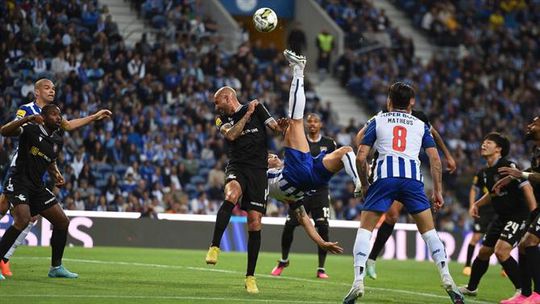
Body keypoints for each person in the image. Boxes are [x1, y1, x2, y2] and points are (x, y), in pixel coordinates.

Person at [343, 82, 464, 304]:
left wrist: (364, 184)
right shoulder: (420, 124)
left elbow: (360, 156)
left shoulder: (378, 119)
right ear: (411, 102)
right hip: (412, 180)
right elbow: (435, 160)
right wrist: (437, 191)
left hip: (385, 178)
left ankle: (358, 282)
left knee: (365, 231)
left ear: (389, 101)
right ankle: (447, 278)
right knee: (429, 233)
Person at [0, 78, 111, 278]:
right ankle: (3, 260)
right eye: (47, 87)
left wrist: (94, 117)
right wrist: (29, 122)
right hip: (19, 170)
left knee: (29, 218)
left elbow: (66, 128)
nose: (52, 91)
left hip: (38, 174)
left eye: (53, 88)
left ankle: (10, 260)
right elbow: (14, 131)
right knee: (11, 214)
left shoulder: (55, 116)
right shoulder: (28, 110)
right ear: (36, 91)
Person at [269, 50, 363, 278]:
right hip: (299, 175)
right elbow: (304, 220)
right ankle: (299, 70)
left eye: (273, 156)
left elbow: (305, 221)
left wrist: (322, 242)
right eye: (271, 157)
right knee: (295, 120)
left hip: (310, 176)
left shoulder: (291, 198)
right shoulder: (265, 175)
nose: (273, 156)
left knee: (346, 150)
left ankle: (358, 182)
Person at [353, 105, 457, 280]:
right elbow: (360, 137)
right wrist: (369, 161)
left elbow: (435, 135)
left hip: (403, 173)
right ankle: (370, 260)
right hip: (388, 169)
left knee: (392, 215)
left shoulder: (420, 118)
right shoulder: (382, 114)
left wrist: (448, 155)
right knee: (396, 216)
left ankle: (370, 259)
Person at [204, 84, 286, 294]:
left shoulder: (257, 107)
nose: (216, 107)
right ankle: (214, 246)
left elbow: (275, 129)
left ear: (227, 97)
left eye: (217, 102)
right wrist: (247, 114)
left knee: (255, 222)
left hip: (259, 171)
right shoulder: (221, 120)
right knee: (231, 194)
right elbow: (231, 136)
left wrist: (282, 126)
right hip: (238, 166)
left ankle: (250, 276)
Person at [0, 104, 78, 278]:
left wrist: (56, 174)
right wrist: (26, 119)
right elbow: (4, 131)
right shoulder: (30, 130)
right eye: (54, 114)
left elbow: (50, 160)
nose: (59, 117)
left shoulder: (58, 139)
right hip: (19, 181)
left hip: (37, 187)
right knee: (22, 219)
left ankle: (56, 268)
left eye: (60, 114)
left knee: (62, 222)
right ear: (43, 117)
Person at [459, 133, 537, 303]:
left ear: (498, 149)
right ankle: (472, 288)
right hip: (501, 217)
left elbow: (527, 188)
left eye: (488, 143)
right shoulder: (485, 172)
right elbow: (493, 193)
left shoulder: (507, 165)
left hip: (518, 215)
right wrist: (477, 204)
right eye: (483, 142)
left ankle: (522, 291)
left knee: (501, 251)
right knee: (484, 252)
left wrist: (534, 214)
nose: (483, 145)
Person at [491, 117, 540, 304]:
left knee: (531, 241)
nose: (529, 125)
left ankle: (538, 295)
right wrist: (513, 178)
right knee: (524, 245)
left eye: (534, 123)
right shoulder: (536, 150)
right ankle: (526, 294)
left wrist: (521, 174)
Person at [462, 159, 497, 277]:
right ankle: (467, 265)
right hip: (483, 210)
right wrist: (472, 204)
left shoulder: (502, 170)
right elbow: (473, 188)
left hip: (497, 209)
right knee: (476, 237)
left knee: (499, 239)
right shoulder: (482, 172)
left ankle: (504, 268)